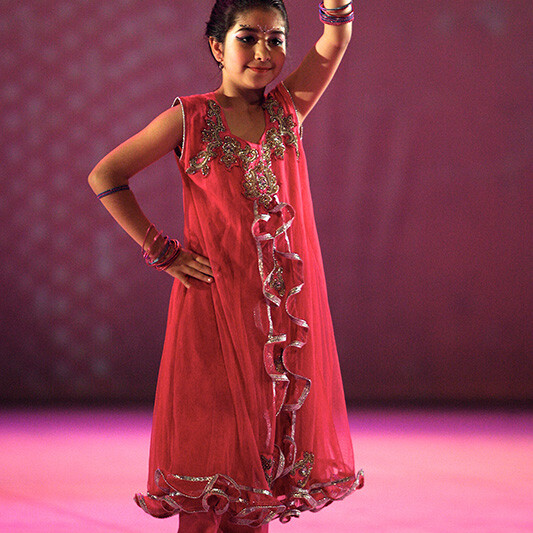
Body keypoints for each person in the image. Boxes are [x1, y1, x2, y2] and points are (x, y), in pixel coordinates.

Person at [88, 1, 363, 531]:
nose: (263, 52)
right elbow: (107, 175)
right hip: (213, 309)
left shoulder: (287, 110)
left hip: (277, 318)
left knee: (262, 450)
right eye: (247, 38)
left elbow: (335, 41)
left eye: (276, 39)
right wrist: (162, 250)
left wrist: (336, 7)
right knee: (215, 455)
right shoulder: (190, 118)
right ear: (217, 46)